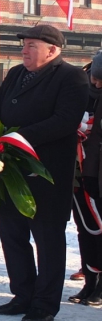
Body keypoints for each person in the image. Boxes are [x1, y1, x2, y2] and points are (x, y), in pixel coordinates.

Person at [0, 24, 88, 321]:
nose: (24, 50)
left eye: (31, 45)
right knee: (12, 234)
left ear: (52, 50)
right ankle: (22, 294)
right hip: (9, 168)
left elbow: (65, 121)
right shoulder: (16, 73)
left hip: (47, 174)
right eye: (24, 44)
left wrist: (18, 137)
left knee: (47, 239)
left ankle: (44, 304)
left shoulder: (72, 77)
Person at [70, 51, 102, 308]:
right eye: (94, 78)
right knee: (85, 229)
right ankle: (90, 279)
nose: (96, 84)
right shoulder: (83, 86)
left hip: (97, 172)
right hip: (80, 173)